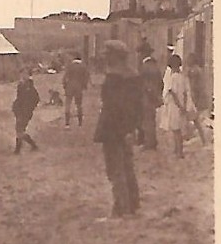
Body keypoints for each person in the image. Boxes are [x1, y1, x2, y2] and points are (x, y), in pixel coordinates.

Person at [93, 41, 141, 217]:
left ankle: (121, 209)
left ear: (114, 56)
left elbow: (113, 106)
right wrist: (132, 128)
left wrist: (121, 129)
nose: (105, 58)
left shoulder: (113, 78)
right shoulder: (133, 76)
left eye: (107, 55)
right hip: (127, 126)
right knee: (127, 166)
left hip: (113, 128)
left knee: (115, 169)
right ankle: (133, 204)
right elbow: (136, 106)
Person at [159, 54, 197, 159]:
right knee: (179, 128)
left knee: (176, 130)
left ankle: (179, 151)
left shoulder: (173, 78)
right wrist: (184, 105)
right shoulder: (183, 77)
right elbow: (186, 93)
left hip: (175, 106)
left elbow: (173, 93)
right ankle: (177, 149)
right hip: (181, 105)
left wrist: (179, 106)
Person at [138, 57, 164, 150]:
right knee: (152, 120)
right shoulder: (156, 69)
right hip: (155, 96)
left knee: (147, 121)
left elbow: (141, 83)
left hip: (146, 96)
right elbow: (161, 84)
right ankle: (152, 141)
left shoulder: (145, 68)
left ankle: (149, 143)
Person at [12, 70, 40, 154]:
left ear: (28, 76)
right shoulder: (21, 86)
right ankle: (32, 146)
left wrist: (30, 108)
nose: (22, 76)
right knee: (19, 130)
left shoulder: (30, 88)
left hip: (25, 112)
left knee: (20, 130)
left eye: (25, 74)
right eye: (22, 74)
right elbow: (19, 99)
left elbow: (36, 99)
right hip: (20, 111)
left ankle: (19, 150)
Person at [62, 57, 90, 128]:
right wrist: (84, 86)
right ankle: (80, 123)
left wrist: (65, 86)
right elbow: (86, 77)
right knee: (79, 105)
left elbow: (65, 77)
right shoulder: (83, 67)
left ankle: (67, 123)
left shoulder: (70, 66)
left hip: (69, 87)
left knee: (68, 104)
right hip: (78, 87)